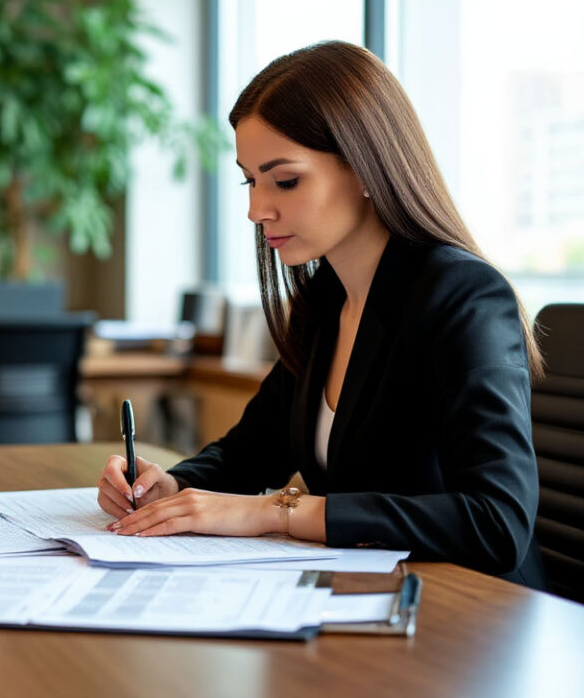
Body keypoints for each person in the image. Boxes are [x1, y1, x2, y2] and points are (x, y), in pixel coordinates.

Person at [96, 41, 545, 588]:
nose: (257, 209)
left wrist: (275, 513)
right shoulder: (325, 302)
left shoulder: (463, 298)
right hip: (365, 601)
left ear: (364, 167)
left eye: (284, 180)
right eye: (250, 180)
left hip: (472, 620)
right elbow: (247, 454)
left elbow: (496, 523)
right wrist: (167, 487)